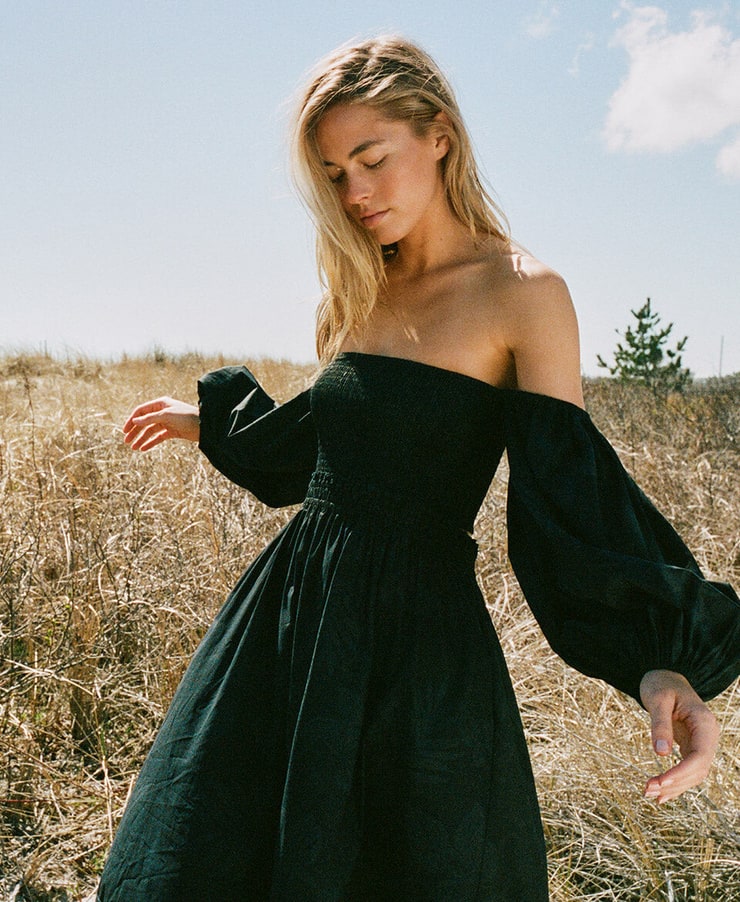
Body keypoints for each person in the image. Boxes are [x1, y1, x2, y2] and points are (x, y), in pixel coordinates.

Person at [97, 36, 739, 901]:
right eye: (335, 175)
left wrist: (660, 660)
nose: (354, 194)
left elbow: (569, 497)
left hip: (418, 646)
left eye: (372, 160)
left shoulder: (524, 294)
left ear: (439, 134)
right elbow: (331, 451)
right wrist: (210, 422)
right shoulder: (354, 289)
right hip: (290, 621)